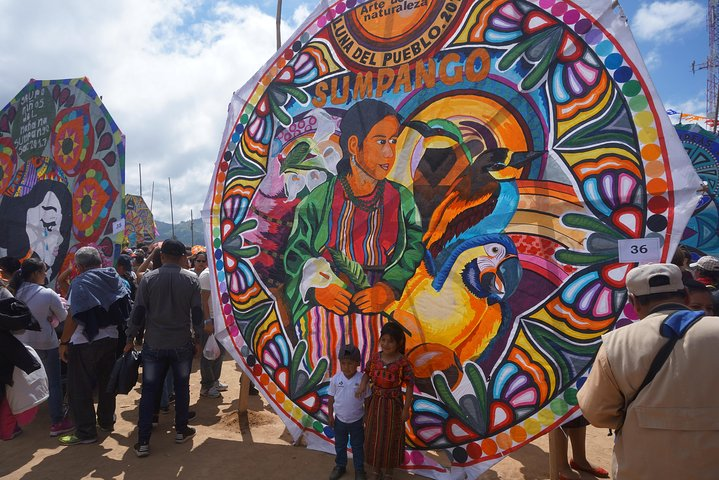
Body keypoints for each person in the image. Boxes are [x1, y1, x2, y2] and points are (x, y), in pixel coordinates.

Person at [284, 99, 424, 371]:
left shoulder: (402, 198)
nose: (389, 153)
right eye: (381, 141)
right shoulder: (317, 201)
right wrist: (317, 289)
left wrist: (389, 287)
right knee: (329, 380)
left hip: (380, 310)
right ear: (353, 146)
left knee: (378, 381)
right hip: (328, 313)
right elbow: (295, 255)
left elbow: (414, 247)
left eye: (394, 142)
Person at [578, 263, 719, 479]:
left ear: (633, 302)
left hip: (643, 468)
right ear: (687, 296)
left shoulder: (616, 343)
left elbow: (597, 413)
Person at [125, 239, 203, 457]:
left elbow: (138, 311)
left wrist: (130, 337)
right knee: (182, 387)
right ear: (181, 257)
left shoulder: (148, 279)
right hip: (181, 344)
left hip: (154, 345)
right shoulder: (191, 279)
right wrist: (198, 339)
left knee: (150, 391)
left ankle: (142, 442)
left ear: (161, 256)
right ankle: (181, 430)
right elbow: (197, 312)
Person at [57, 246, 132, 445]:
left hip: (84, 342)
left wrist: (63, 343)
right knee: (107, 382)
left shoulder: (80, 282)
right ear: (100, 262)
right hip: (112, 338)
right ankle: (106, 422)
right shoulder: (112, 277)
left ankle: (86, 432)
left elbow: (73, 315)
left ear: (79, 267)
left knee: (80, 388)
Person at [9, 258, 73, 437]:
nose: (45, 275)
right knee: (53, 383)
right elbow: (63, 316)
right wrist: (51, 316)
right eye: (44, 272)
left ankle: (13, 424)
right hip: (45, 343)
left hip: (21, 343)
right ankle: (57, 422)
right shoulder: (47, 294)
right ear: (36, 273)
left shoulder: (14, 292)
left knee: (19, 383)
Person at [358, 322, 414, 480]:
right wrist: (362, 386)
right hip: (375, 404)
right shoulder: (375, 358)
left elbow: (409, 386)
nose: (386, 344)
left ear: (399, 343)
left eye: (390, 341)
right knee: (374, 436)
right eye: (383, 340)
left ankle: (389, 471)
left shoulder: (403, 363)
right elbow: (366, 374)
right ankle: (376, 469)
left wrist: (406, 409)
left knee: (391, 438)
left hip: (394, 407)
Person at [328, 345, 368, 480]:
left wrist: (366, 417)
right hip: (340, 421)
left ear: (358, 363)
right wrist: (330, 416)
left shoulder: (362, 380)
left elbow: (368, 399)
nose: (346, 366)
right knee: (340, 445)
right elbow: (331, 398)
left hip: (357, 421)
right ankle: (340, 466)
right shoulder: (335, 379)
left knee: (357, 446)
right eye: (343, 363)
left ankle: (359, 470)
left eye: (350, 363)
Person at [197, 251, 227, 398]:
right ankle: (206, 386)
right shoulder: (207, 275)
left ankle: (214, 381)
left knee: (219, 352)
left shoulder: (218, 273)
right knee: (208, 354)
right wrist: (207, 320)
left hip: (220, 320)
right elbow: (204, 301)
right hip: (211, 320)